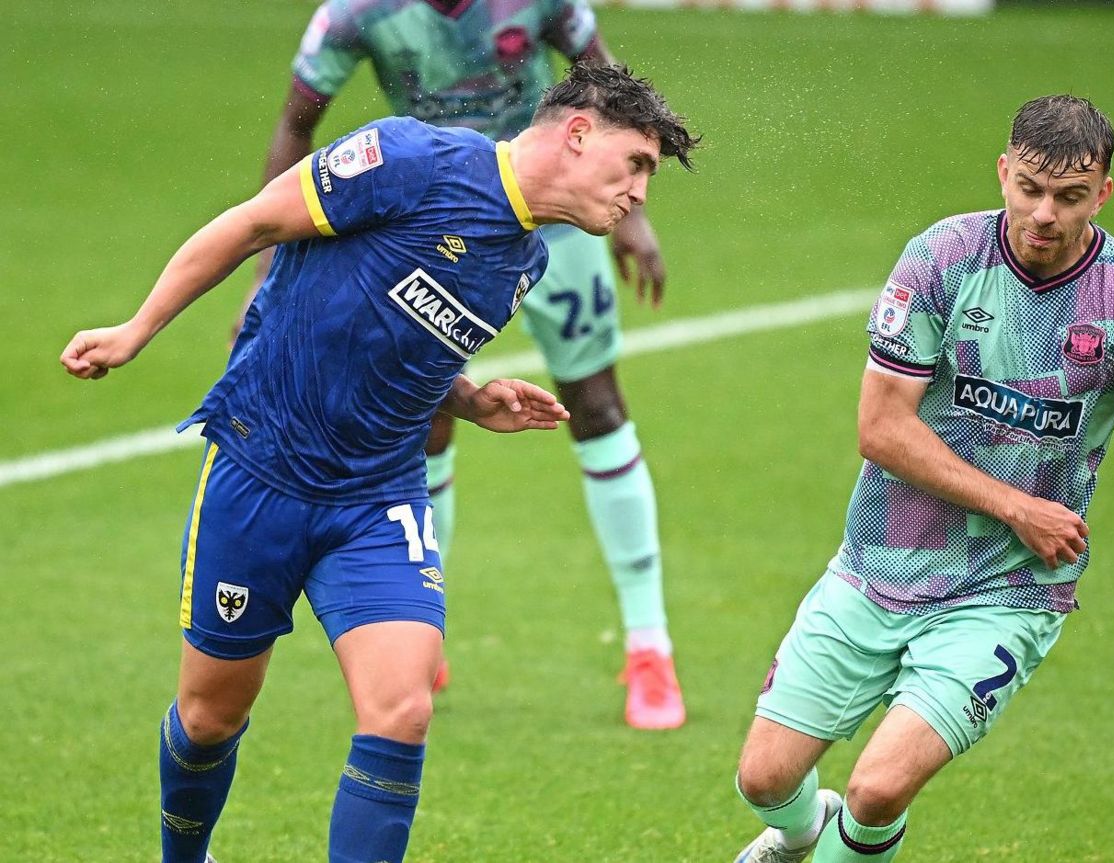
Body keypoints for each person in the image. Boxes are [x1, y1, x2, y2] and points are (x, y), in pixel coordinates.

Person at [60, 64, 697, 863]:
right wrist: (134, 331)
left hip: (376, 499)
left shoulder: (524, 261)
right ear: (577, 134)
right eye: (636, 163)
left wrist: (470, 400)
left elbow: (404, 345)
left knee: (402, 707)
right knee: (209, 716)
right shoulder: (410, 160)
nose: (641, 192)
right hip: (263, 467)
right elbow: (253, 224)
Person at [730, 94, 1114, 863]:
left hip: (1007, 593)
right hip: (876, 567)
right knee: (763, 778)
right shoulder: (942, 259)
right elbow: (882, 427)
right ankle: (796, 832)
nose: (1045, 213)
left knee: (878, 789)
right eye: (1030, 189)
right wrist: (1020, 505)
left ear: (1104, 194)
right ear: (1004, 173)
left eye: (1070, 197)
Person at [242, 0, 688, 728]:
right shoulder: (357, 14)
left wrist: (630, 213)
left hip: (557, 214)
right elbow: (298, 122)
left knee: (597, 405)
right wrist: (266, 273)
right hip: (431, 223)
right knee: (422, 417)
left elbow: (606, 83)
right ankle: (424, 640)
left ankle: (649, 649)